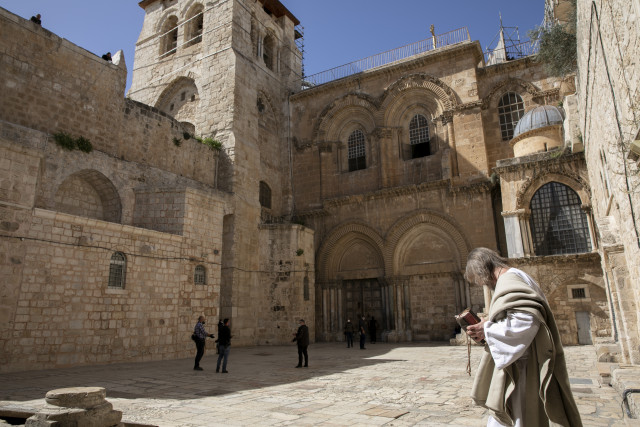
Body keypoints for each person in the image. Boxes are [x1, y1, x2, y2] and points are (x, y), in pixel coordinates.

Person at [464, 248, 582, 427]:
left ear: (483, 269)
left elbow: (526, 322)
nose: (482, 284)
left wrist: (486, 329)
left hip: (523, 368)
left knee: (519, 418)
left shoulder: (509, 280)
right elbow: (518, 313)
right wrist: (488, 323)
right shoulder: (515, 277)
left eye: (479, 279)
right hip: (520, 364)